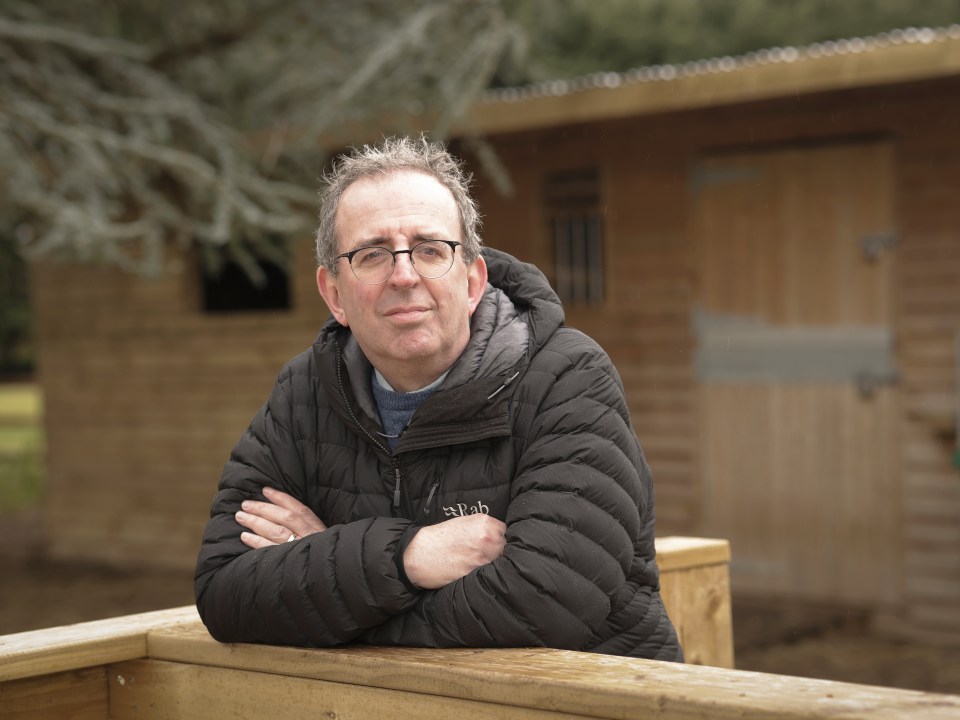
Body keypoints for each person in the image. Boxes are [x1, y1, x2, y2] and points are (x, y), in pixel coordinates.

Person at [194, 136, 683, 660]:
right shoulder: (304, 393)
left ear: (472, 281)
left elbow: (546, 603)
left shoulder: (565, 376)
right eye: (372, 254)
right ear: (334, 294)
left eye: (429, 249)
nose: (404, 275)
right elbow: (225, 592)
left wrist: (331, 577)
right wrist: (409, 556)